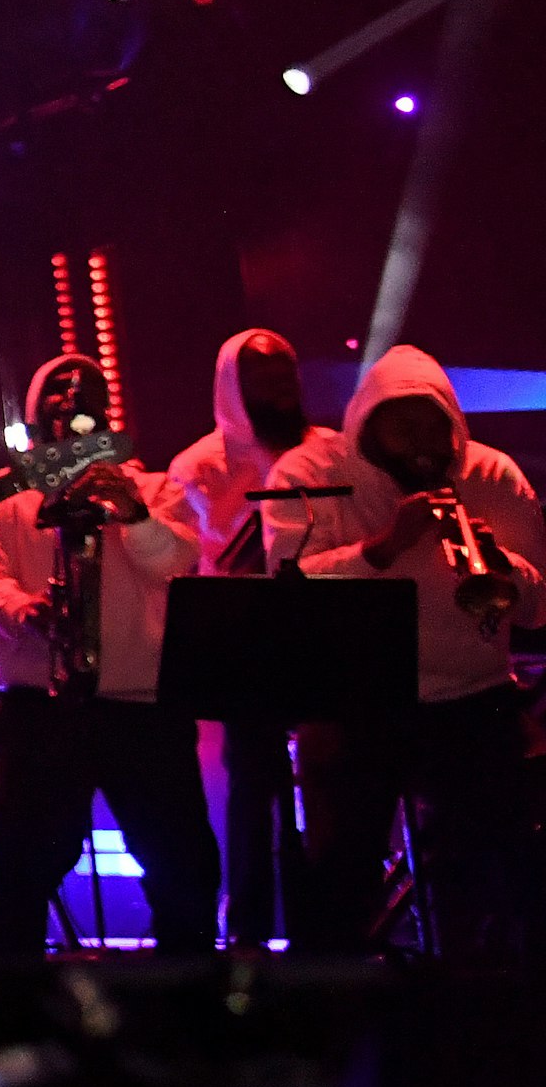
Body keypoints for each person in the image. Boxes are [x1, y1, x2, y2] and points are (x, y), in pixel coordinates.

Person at [0, 355, 217, 956]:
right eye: (58, 394)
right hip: (42, 709)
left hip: (142, 707)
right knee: (25, 865)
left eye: (87, 392)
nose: (73, 402)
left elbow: (178, 564)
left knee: (182, 862)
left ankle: (188, 1002)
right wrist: (25, 610)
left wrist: (135, 514)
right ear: (35, 414)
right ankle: (14, 1004)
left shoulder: (154, 489)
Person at [289, 348, 541, 958]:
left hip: (473, 698)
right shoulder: (316, 474)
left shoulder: (493, 473)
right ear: (367, 424)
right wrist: (385, 546)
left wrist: (501, 567)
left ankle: (492, 987)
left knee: (503, 861)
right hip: (361, 704)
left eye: (433, 423)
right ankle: (336, 994)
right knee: (343, 867)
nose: (422, 441)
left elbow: (538, 605)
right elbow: (291, 587)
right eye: (402, 425)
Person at [163, 329, 319, 943]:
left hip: (317, 636)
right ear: (234, 384)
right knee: (252, 785)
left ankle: (321, 925)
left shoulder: (330, 452)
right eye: (263, 376)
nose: (279, 386)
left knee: (326, 779)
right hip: (243, 646)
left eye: (287, 371)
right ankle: (249, 929)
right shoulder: (198, 466)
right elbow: (185, 559)